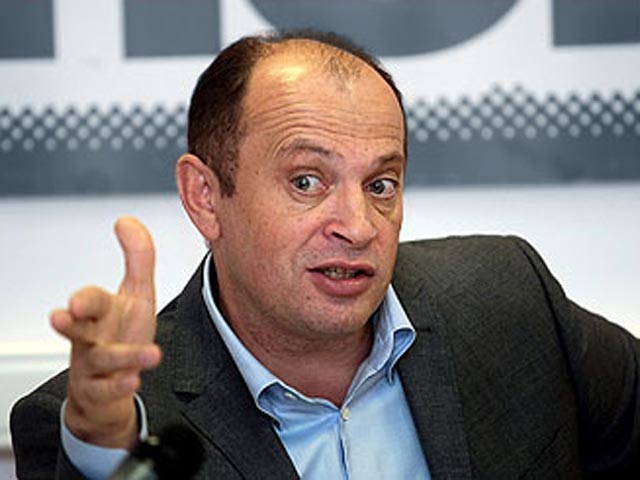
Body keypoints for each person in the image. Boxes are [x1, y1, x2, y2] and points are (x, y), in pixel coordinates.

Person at [10, 30, 639, 479]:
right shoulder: (102, 422)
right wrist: (104, 446)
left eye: (381, 185)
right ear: (205, 197)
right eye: (307, 181)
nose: (358, 227)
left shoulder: (509, 301)